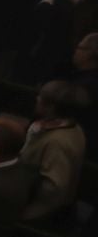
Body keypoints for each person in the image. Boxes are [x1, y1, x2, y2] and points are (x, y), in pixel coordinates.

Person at [22, 80, 90, 223]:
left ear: (51, 107)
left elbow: (53, 189)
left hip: (40, 215)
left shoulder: (57, 141)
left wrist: (23, 214)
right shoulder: (74, 128)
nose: (37, 98)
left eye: (41, 97)